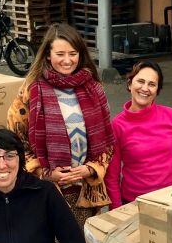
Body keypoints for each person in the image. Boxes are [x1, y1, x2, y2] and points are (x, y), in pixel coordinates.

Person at [7, 22, 115, 227]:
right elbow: (17, 142)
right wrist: (45, 173)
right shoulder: (31, 91)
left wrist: (91, 169)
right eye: (60, 54)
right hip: (47, 191)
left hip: (86, 192)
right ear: (48, 55)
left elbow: (108, 142)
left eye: (73, 53)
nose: (67, 60)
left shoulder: (94, 89)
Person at [106, 60, 172, 208]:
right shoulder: (117, 125)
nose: (145, 88)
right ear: (129, 84)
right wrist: (116, 210)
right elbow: (112, 176)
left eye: (152, 84)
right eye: (140, 81)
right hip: (135, 203)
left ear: (157, 90)